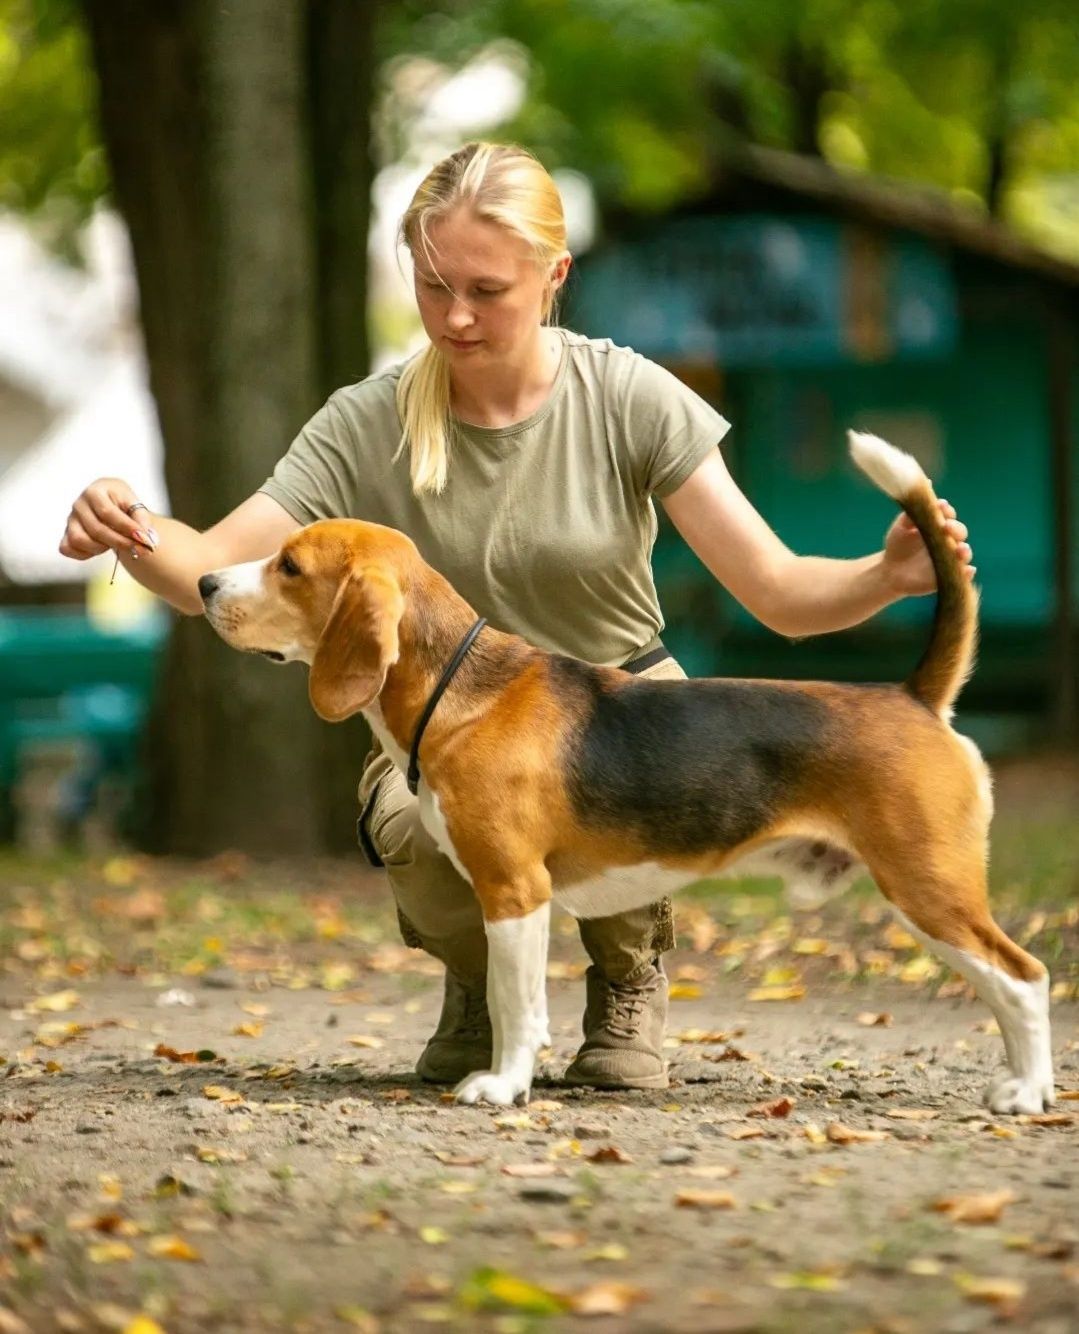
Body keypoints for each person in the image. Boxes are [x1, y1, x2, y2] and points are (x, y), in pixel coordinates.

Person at [60, 141, 974, 1091]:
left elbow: (778, 592)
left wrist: (884, 574)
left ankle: (627, 976)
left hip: (626, 726)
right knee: (428, 821)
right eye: (432, 285)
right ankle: (479, 984)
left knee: (608, 787)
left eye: (487, 290)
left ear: (553, 276)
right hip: (451, 734)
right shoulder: (365, 420)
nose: (455, 317)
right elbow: (212, 567)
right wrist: (127, 522)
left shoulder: (628, 397)